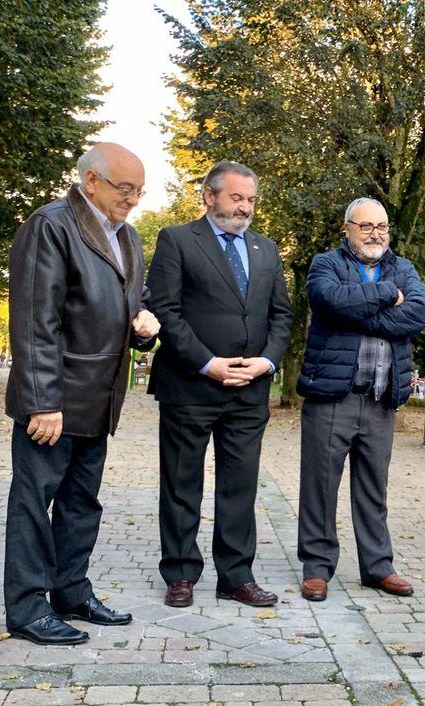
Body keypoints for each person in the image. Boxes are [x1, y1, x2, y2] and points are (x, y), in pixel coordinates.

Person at [4, 142, 159, 645]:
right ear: (91, 181)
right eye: (125, 188)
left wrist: (144, 325)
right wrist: (41, 401)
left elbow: (132, 302)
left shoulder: (129, 237)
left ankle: (71, 591)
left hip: (100, 398)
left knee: (81, 502)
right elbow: (35, 322)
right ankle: (27, 607)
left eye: (139, 190)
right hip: (57, 399)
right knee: (35, 501)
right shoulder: (51, 226)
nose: (133, 199)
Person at [146, 161, 292, 609]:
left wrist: (266, 362)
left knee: (240, 487)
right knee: (181, 483)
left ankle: (235, 576)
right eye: (236, 197)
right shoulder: (176, 240)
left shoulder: (266, 249)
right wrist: (207, 363)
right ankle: (181, 573)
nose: (244, 207)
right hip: (190, 387)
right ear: (209, 196)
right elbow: (166, 312)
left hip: (249, 392)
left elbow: (281, 316)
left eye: (250, 200)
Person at [295, 198, 425, 602]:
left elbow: (418, 315)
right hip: (332, 396)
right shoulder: (326, 264)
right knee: (320, 485)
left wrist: (358, 306)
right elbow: (328, 300)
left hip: (380, 399)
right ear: (347, 228)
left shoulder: (403, 266)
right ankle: (317, 568)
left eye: (383, 227)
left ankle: (377, 567)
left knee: (374, 488)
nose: (376, 234)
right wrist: (388, 294)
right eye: (367, 226)